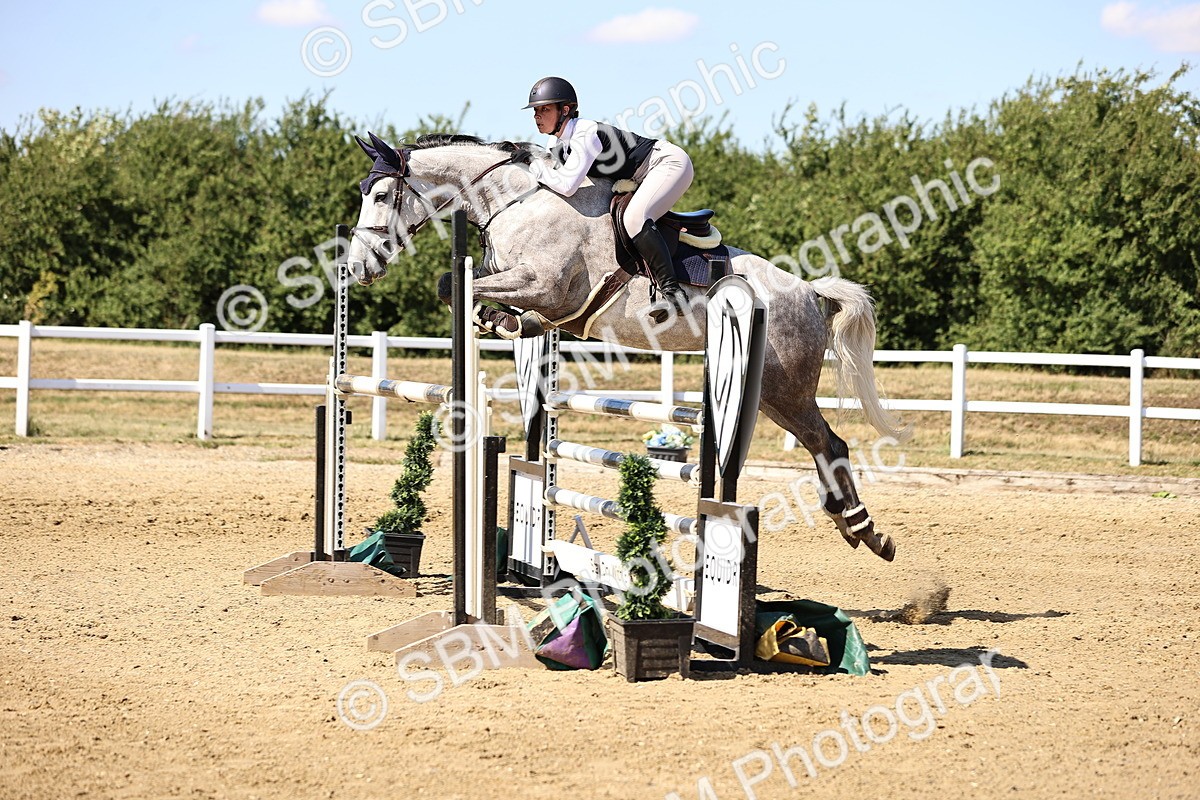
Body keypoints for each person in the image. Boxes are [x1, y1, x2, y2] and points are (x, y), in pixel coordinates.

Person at [520, 76, 694, 323]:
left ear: (565, 110)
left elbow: (567, 186)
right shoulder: (556, 143)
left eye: (544, 109)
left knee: (635, 219)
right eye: (536, 110)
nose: (537, 116)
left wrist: (533, 165)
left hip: (668, 163)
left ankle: (673, 293)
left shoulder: (585, 133)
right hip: (641, 174)